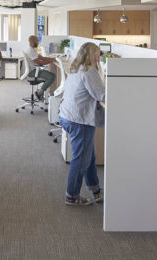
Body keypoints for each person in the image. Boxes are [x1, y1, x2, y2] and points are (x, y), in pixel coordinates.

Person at [58, 42, 105, 206]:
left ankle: (95, 190)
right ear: (91, 55)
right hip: (79, 120)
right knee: (81, 159)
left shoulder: (76, 68)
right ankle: (71, 195)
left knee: (88, 156)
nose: (99, 57)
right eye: (97, 54)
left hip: (66, 115)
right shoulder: (89, 71)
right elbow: (102, 95)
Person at [26, 35, 57, 101]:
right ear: (33, 42)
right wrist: (52, 60)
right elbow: (40, 63)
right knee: (52, 76)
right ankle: (39, 93)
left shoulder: (33, 49)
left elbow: (42, 58)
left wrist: (54, 58)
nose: (38, 43)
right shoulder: (30, 51)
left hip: (35, 70)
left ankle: (41, 91)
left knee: (50, 74)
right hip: (33, 72)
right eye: (37, 42)